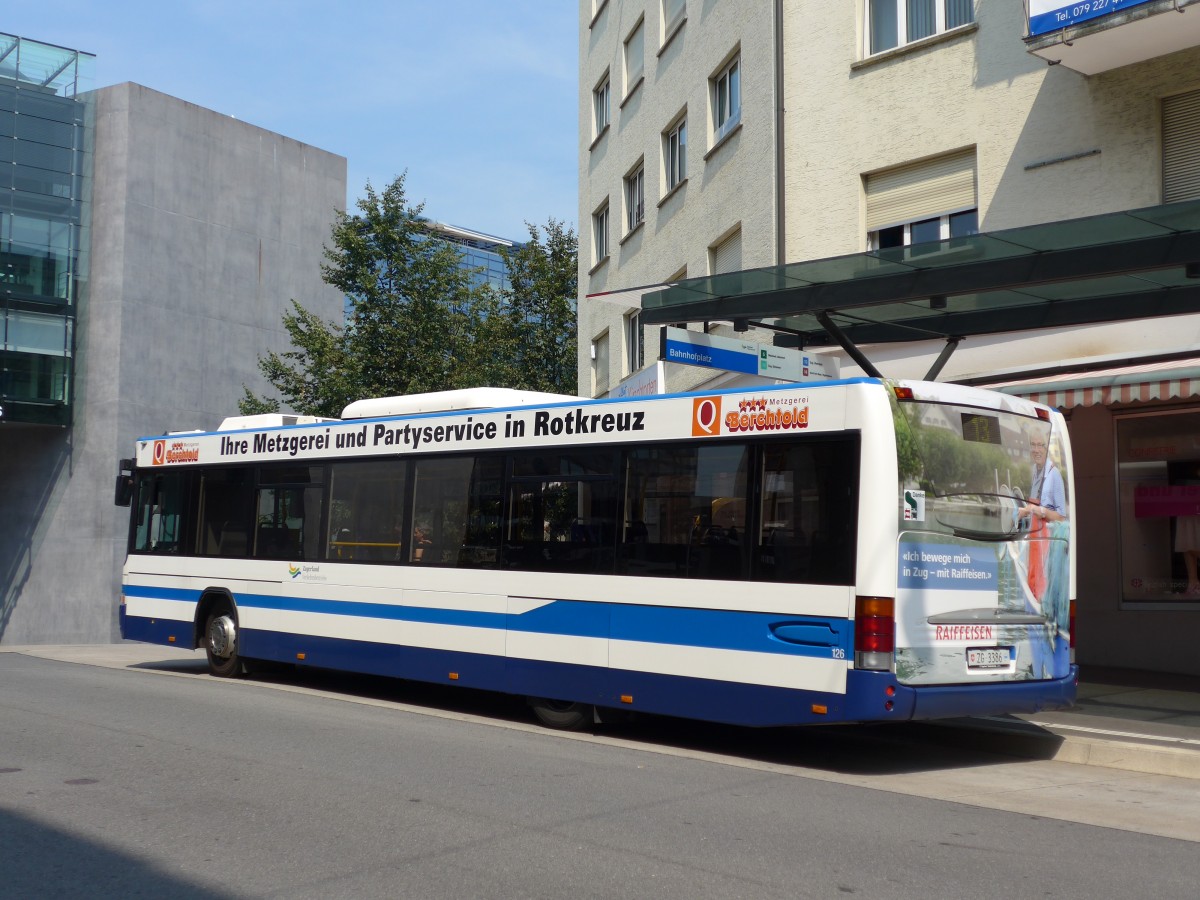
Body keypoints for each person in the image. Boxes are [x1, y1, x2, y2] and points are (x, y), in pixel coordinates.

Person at [1017, 430, 1066, 525]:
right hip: (1033, 534)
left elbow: (1061, 517)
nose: (1036, 450)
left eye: (1039, 445)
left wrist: (1042, 511)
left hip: (1047, 537)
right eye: (1033, 445)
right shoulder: (1033, 471)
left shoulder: (1054, 474)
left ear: (1046, 448)